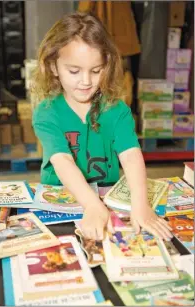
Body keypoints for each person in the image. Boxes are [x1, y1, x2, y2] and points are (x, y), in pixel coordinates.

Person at [31, 12, 173, 241]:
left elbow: (130, 156)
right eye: (74, 71)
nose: (86, 81)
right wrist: (93, 206)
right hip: (60, 197)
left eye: (96, 71)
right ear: (53, 67)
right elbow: (62, 161)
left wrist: (140, 204)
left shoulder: (116, 110)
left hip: (108, 192)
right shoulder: (46, 113)